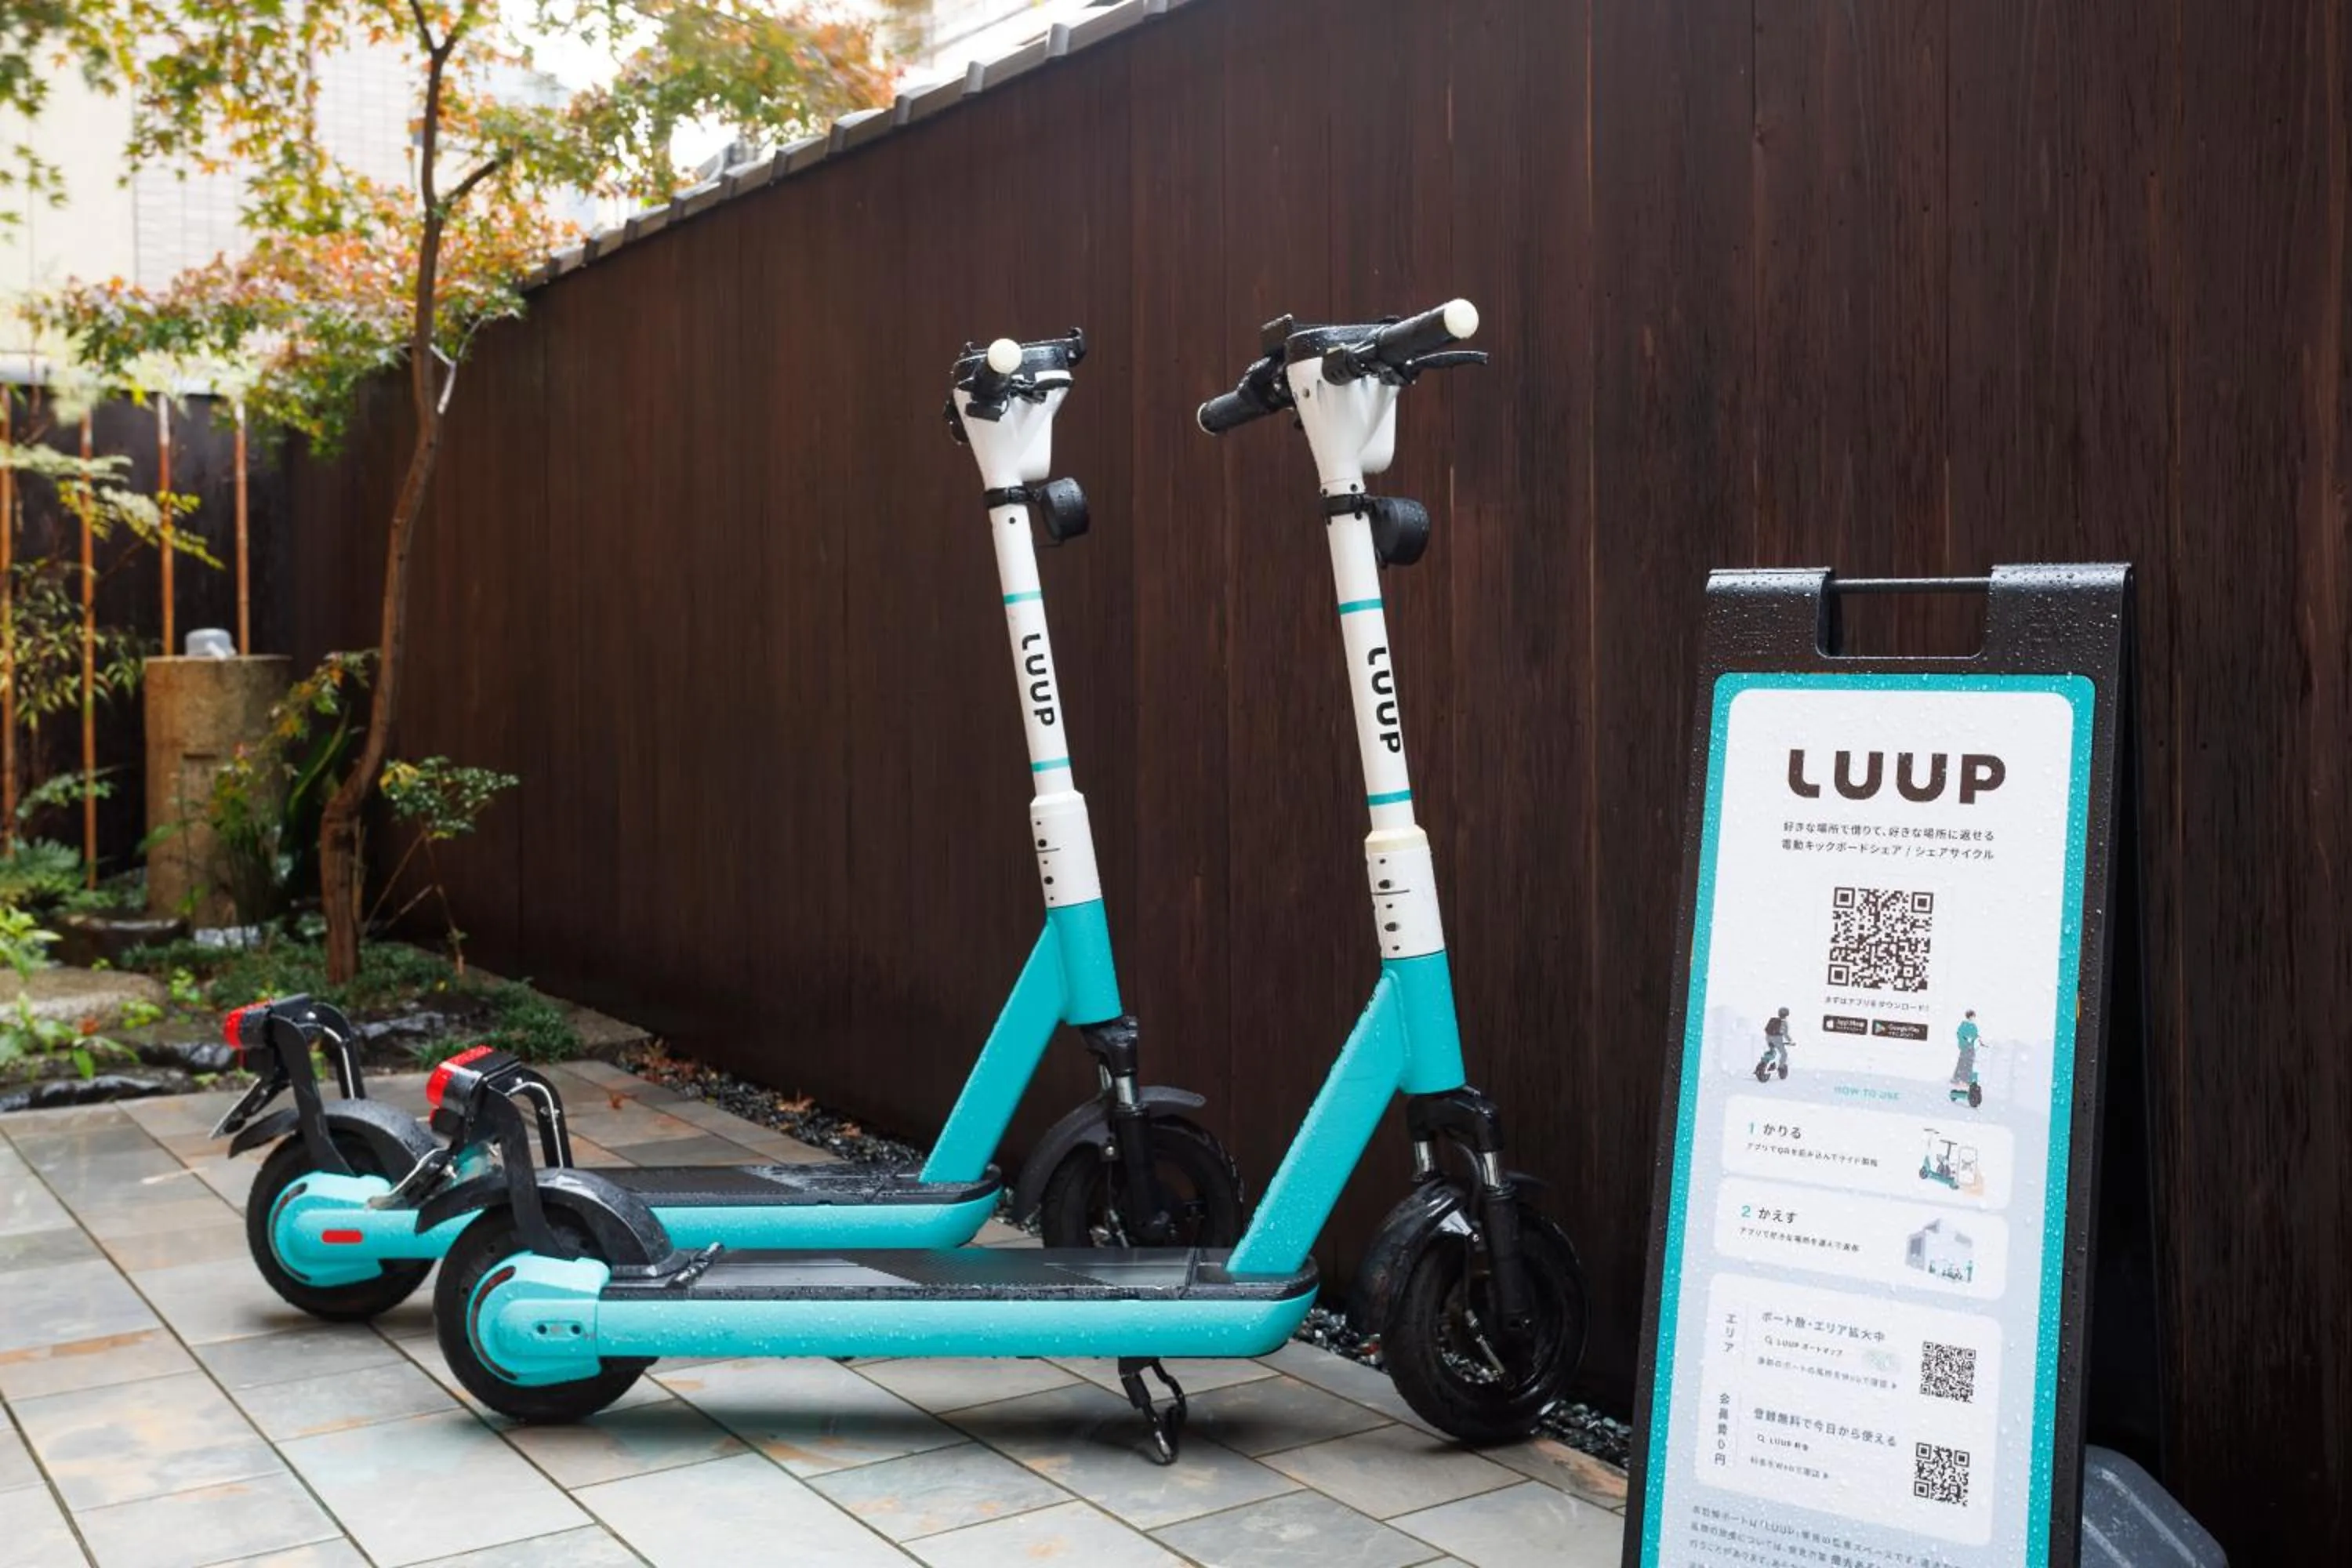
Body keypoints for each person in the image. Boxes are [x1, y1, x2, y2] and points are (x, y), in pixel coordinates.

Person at [1755, 1007, 1792, 1081]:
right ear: (1787, 1015)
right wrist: (1790, 1041)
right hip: (1777, 1039)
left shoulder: (1772, 1020)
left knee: (1772, 1051)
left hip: (1768, 1038)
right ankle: (1781, 1068)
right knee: (1784, 1054)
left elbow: (1766, 1029)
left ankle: (1767, 1063)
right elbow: (1785, 1034)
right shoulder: (1784, 1023)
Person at [1951, 1010, 1981, 1089]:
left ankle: (1966, 1080)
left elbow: (1975, 1035)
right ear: (1969, 1016)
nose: (1973, 1018)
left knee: (1969, 1063)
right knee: (1962, 1063)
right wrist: (1965, 1042)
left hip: (1971, 1047)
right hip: (1965, 1047)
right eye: (1972, 1016)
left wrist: (1976, 1038)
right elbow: (1959, 1035)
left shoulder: (1974, 1026)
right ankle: (1958, 1079)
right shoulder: (1964, 1025)